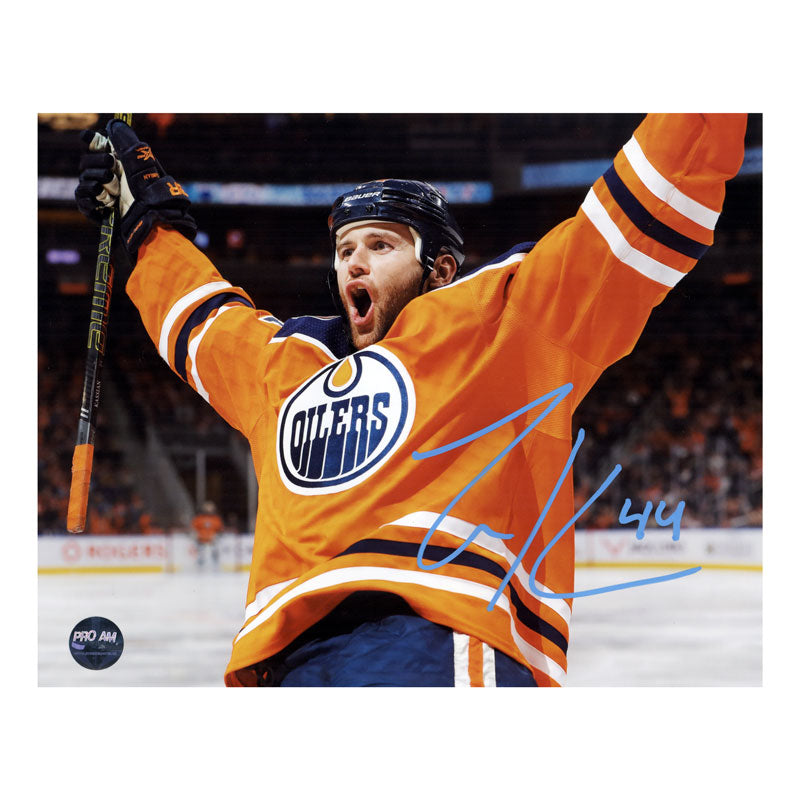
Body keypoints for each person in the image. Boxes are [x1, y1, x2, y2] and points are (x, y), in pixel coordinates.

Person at [75, 114, 747, 686]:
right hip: (281, 662)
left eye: (380, 245)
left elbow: (636, 215)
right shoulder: (283, 366)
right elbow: (202, 320)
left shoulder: (498, 326)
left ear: (442, 269)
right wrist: (143, 222)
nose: (354, 264)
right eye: (344, 250)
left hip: (432, 641)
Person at [192, 500, 224, 569]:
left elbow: (220, 529)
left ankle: (215, 566)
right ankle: (200, 567)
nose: (209, 509)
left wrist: (217, 536)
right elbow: (194, 528)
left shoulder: (216, 519)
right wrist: (196, 535)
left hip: (212, 539)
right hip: (201, 539)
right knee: (201, 554)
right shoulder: (199, 518)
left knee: (215, 552)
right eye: (207, 507)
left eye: (210, 508)